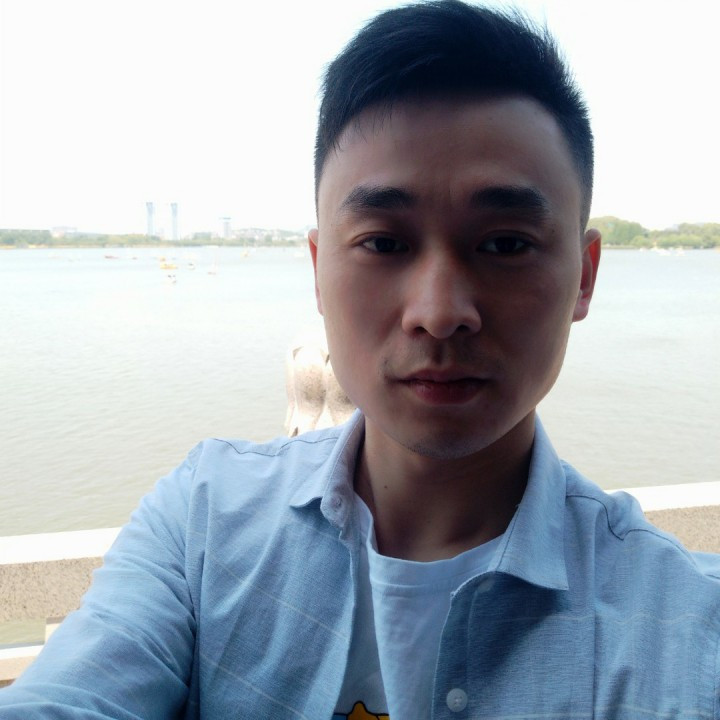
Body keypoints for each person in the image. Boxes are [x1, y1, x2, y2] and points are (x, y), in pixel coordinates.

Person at [2, 2, 719, 718]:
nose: (439, 311)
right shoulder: (205, 522)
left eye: (505, 244)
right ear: (318, 270)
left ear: (584, 277)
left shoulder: (684, 630)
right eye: (383, 242)